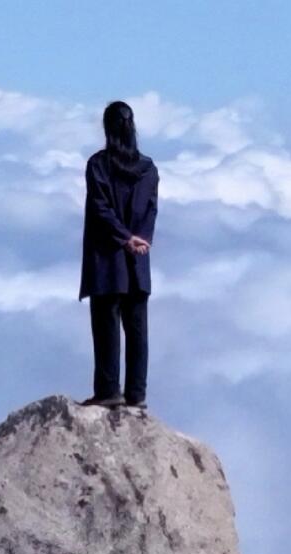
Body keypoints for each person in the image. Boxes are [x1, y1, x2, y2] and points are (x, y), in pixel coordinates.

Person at [79, 101, 159, 410]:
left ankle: (108, 391)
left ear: (107, 128)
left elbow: (100, 208)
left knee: (106, 326)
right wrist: (140, 240)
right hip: (138, 259)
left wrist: (124, 238)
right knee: (137, 329)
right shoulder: (148, 169)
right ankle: (137, 394)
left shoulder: (98, 165)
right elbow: (151, 209)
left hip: (107, 261)